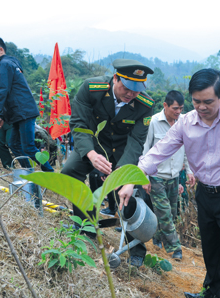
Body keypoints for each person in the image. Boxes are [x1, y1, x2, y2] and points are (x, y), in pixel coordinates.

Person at [119, 68, 220, 298]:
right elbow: (158, 152)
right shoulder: (185, 123)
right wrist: (131, 179)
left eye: (208, 102)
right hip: (204, 193)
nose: (202, 107)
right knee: (211, 247)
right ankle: (210, 292)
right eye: (196, 101)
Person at [61, 58, 155, 267]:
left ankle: (135, 247)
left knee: (128, 190)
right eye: (127, 87)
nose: (131, 94)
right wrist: (92, 155)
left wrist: (121, 169)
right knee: (69, 170)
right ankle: (87, 226)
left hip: (123, 151)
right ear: (115, 78)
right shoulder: (91, 89)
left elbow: (137, 140)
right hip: (92, 145)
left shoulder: (145, 105)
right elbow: (79, 124)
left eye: (137, 90)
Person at [0, 38, 54, 172]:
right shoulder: (7, 64)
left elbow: (3, 90)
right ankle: (28, 172)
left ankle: (50, 174)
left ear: (1, 50)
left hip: (24, 112)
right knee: (13, 144)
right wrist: (3, 117)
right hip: (18, 112)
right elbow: (11, 94)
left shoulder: (5, 64)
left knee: (28, 147)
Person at [142, 90, 194, 261]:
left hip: (173, 176)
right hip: (156, 175)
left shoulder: (184, 122)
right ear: (165, 106)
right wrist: (144, 178)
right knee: (164, 212)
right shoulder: (154, 123)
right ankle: (175, 248)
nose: (178, 112)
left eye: (180, 108)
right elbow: (145, 149)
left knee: (170, 213)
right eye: (175, 108)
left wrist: (188, 172)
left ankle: (157, 239)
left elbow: (187, 150)